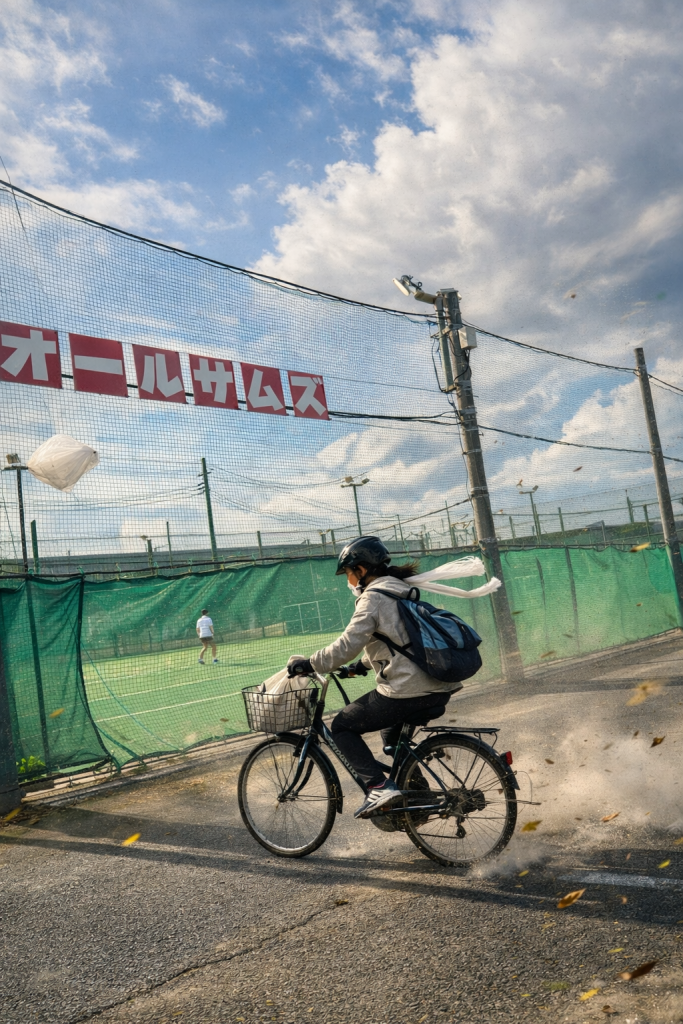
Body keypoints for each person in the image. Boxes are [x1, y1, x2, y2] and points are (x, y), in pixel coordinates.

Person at [288, 537, 459, 819]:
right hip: (437, 685)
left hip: (407, 690)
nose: (348, 580)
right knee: (391, 737)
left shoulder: (373, 597)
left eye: (348, 573)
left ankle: (378, 786)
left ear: (361, 569)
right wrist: (361, 666)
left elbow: (347, 644)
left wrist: (310, 663)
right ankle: (418, 802)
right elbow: (399, 643)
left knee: (342, 726)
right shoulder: (400, 591)